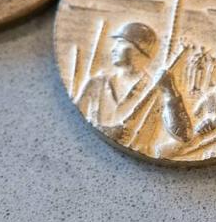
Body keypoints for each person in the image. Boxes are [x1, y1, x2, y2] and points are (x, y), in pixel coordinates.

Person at [76, 22, 191, 151]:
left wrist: (170, 92)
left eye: (120, 42)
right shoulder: (96, 84)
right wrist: (106, 131)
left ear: (139, 49)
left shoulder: (156, 89)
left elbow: (184, 136)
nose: (113, 48)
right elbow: (75, 121)